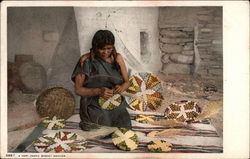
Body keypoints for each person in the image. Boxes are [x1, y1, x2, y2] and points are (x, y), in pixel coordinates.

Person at [71, 30, 132, 131]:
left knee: (124, 128)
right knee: (103, 128)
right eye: (101, 49)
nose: (105, 52)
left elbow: (127, 82)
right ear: (95, 47)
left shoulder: (118, 58)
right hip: (92, 103)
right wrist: (98, 91)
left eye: (109, 48)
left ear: (113, 47)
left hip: (114, 101)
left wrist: (121, 88)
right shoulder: (85, 61)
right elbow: (78, 90)